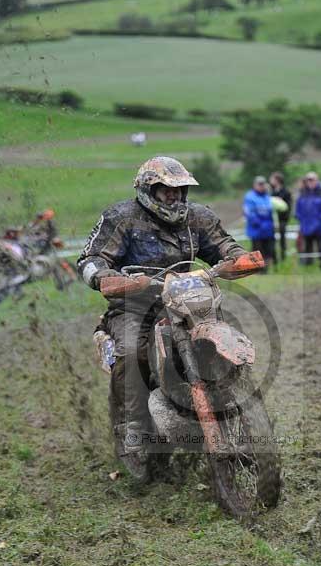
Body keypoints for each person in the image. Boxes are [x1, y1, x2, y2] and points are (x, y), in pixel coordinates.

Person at [77, 156, 246, 480]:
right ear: (146, 189)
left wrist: (236, 257)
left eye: (180, 190)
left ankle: (232, 404)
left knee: (224, 333)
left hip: (188, 300)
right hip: (134, 305)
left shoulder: (198, 216)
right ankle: (133, 426)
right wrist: (103, 277)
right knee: (133, 352)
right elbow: (91, 258)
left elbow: (224, 244)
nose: (174, 197)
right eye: (166, 190)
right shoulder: (121, 217)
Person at [295, 171, 321, 269]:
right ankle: (308, 264)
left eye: (312, 180)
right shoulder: (303, 193)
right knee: (307, 245)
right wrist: (301, 219)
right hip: (306, 225)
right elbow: (298, 208)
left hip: (319, 226)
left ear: (317, 180)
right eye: (308, 180)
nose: (310, 182)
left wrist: (320, 219)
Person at [243, 176, 276, 271]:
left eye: (263, 184)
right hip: (256, 230)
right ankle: (256, 270)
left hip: (268, 231)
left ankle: (266, 269)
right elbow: (249, 213)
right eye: (259, 184)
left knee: (268, 251)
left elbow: (271, 212)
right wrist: (260, 224)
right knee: (257, 251)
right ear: (255, 185)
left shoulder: (267, 196)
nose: (261, 186)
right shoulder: (250, 197)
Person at [269, 172, 292, 261]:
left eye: (272, 179)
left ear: (277, 180)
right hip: (273, 221)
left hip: (282, 220)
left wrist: (285, 219)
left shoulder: (286, 192)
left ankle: (283, 258)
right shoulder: (272, 192)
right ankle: (274, 260)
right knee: (272, 241)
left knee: (282, 240)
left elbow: (288, 207)